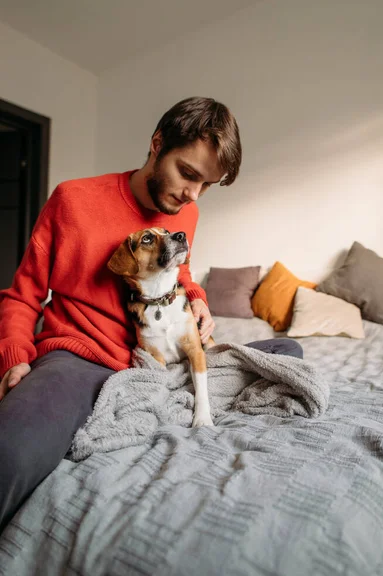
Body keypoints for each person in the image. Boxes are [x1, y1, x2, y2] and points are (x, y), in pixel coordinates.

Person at [0, 96, 302, 534]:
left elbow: (181, 270)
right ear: (157, 144)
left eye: (207, 185)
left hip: (167, 364)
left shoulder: (187, 210)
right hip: (83, 358)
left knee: (285, 352)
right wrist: (16, 357)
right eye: (188, 174)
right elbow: (22, 295)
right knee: (10, 452)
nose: (193, 194)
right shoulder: (72, 199)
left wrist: (197, 298)